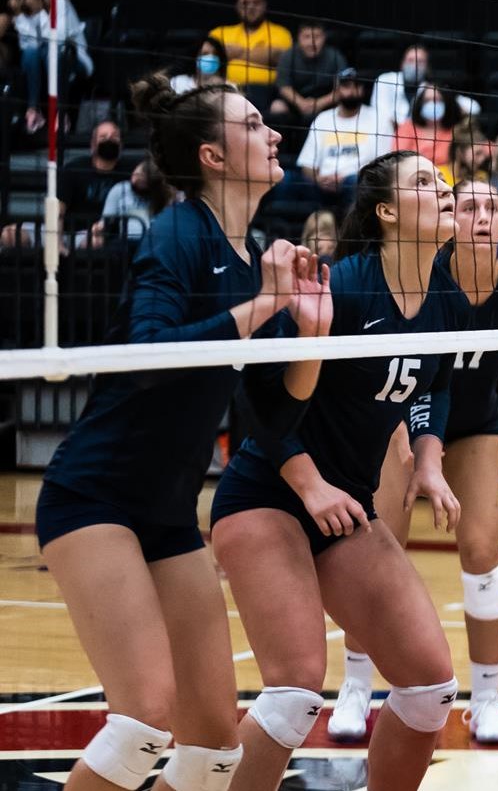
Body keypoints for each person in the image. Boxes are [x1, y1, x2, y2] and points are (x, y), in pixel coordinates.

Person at [33, 75, 325, 791]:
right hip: (93, 497)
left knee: (215, 753)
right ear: (213, 155)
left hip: (167, 514)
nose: (274, 133)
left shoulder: (251, 251)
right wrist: (263, 307)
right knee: (141, 724)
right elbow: (149, 358)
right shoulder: (176, 234)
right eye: (254, 124)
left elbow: (272, 416)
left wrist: (309, 335)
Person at [209, 151, 468, 791]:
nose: (442, 189)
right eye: (422, 183)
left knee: (431, 687)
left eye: (442, 181)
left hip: (346, 504)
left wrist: (429, 460)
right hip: (268, 494)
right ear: (386, 212)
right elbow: (257, 398)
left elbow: (433, 387)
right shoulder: (345, 286)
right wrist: (309, 482)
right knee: (295, 692)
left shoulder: (446, 300)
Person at [331, 179, 498, 747]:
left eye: (493, 208)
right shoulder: (430, 280)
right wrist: (415, 437)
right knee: (377, 546)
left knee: (481, 552)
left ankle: (488, 700)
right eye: (469, 206)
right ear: (451, 218)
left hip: (472, 430)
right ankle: (353, 687)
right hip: (399, 419)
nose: (482, 217)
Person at [13, 0, 91, 135]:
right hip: (43, 64)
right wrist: (22, 13)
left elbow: (59, 39)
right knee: (30, 53)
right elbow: (27, 46)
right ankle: (34, 109)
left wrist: (43, 9)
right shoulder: (25, 11)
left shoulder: (61, 2)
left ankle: (59, 112)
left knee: (52, 51)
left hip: (73, 59)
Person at [294, 68, 386, 208]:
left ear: (363, 90)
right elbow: (306, 164)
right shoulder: (323, 119)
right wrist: (318, 179)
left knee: (353, 182)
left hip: (357, 183)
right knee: (288, 180)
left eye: (357, 86)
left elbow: (382, 163)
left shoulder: (378, 119)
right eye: (346, 86)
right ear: (336, 90)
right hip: (321, 185)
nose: (352, 91)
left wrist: (345, 179)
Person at [206, 0, 292, 107]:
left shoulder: (281, 33)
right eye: (245, 3)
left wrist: (232, 52)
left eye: (256, 2)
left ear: (264, 5)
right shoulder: (219, 32)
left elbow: (278, 57)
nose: (251, 6)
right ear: (237, 6)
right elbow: (207, 61)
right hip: (225, 90)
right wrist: (259, 54)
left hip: (266, 94)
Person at [268, 22, 347, 130]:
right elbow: (283, 87)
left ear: (324, 38)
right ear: (299, 38)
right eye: (307, 37)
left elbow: (342, 89)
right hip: (295, 103)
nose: (312, 42)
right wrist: (302, 104)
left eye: (317, 37)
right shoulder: (288, 56)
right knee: (277, 107)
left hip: (325, 103)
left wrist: (318, 103)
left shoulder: (335, 56)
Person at [59, 119, 130, 232]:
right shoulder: (75, 168)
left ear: (121, 145)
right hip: (68, 232)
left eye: (115, 136)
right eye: (103, 137)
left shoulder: (130, 172)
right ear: (92, 145)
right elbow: (58, 209)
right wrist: (58, 242)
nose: (109, 139)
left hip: (101, 236)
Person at [95, 157, 174, 242]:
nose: (133, 180)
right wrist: (98, 228)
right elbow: (106, 220)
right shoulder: (120, 189)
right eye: (135, 174)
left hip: (153, 241)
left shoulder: (164, 198)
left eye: (140, 182)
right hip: (125, 242)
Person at [392, 81, 459, 168]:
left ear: (446, 103)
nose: (433, 104)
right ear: (420, 103)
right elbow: (396, 160)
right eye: (427, 100)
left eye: (438, 100)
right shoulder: (407, 128)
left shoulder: (455, 131)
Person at [445, 120, 494, 189]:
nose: (482, 159)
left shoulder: (482, 176)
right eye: (478, 153)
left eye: (484, 154)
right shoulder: (439, 174)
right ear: (460, 152)